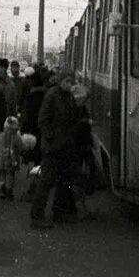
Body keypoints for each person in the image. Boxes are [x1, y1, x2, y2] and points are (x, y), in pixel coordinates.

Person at [30, 72, 80, 228]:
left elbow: (73, 117)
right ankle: (36, 216)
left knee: (64, 181)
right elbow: (42, 119)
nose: (69, 84)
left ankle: (59, 213)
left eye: (71, 82)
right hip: (53, 147)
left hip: (65, 145)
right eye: (66, 81)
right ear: (60, 81)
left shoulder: (69, 96)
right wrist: (51, 137)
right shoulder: (52, 95)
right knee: (46, 181)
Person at [70, 83, 99, 220]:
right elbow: (73, 126)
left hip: (83, 145)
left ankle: (81, 206)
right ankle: (80, 207)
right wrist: (86, 122)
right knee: (78, 177)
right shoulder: (75, 110)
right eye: (84, 98)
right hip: (77, 146)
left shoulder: (80, 108)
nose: (85, 101)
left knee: (83, 175)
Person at [0, 115, 26, 200]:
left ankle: (2, 189)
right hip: (11, 160)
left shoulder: (0, 135)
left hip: (1, 159)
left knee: (3, 174)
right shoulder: (16, 137)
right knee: (10, 175)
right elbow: (21, 146)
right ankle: (9, 191)